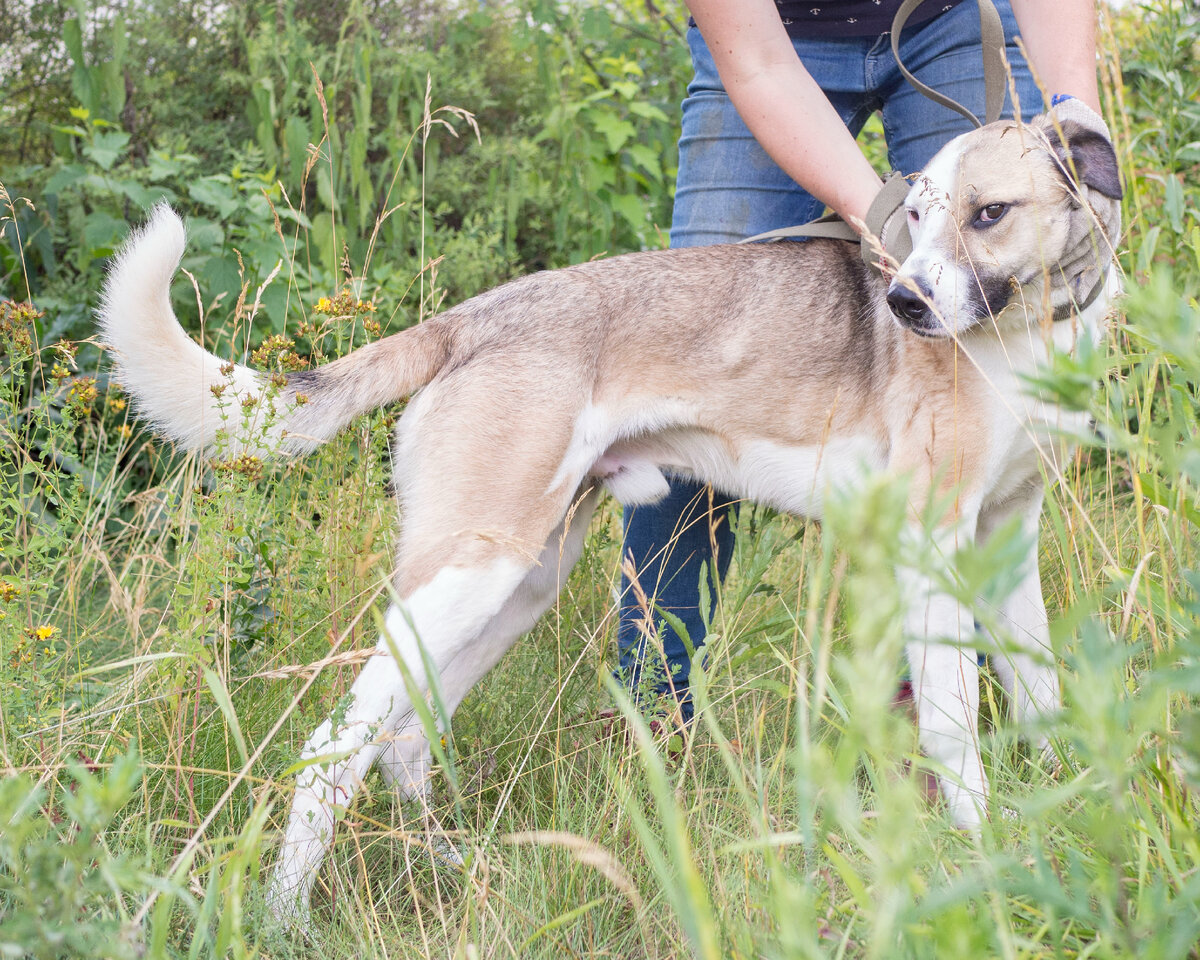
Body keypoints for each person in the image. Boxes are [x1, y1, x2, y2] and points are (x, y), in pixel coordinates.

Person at [616, 0, 1107, 725]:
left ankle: (930, 714)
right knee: (688, 351)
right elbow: (759, 63)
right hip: (771, 39)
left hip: (951, 20)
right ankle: (654, 706)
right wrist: (881, 213)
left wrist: (1076, 111)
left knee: (994, 335)